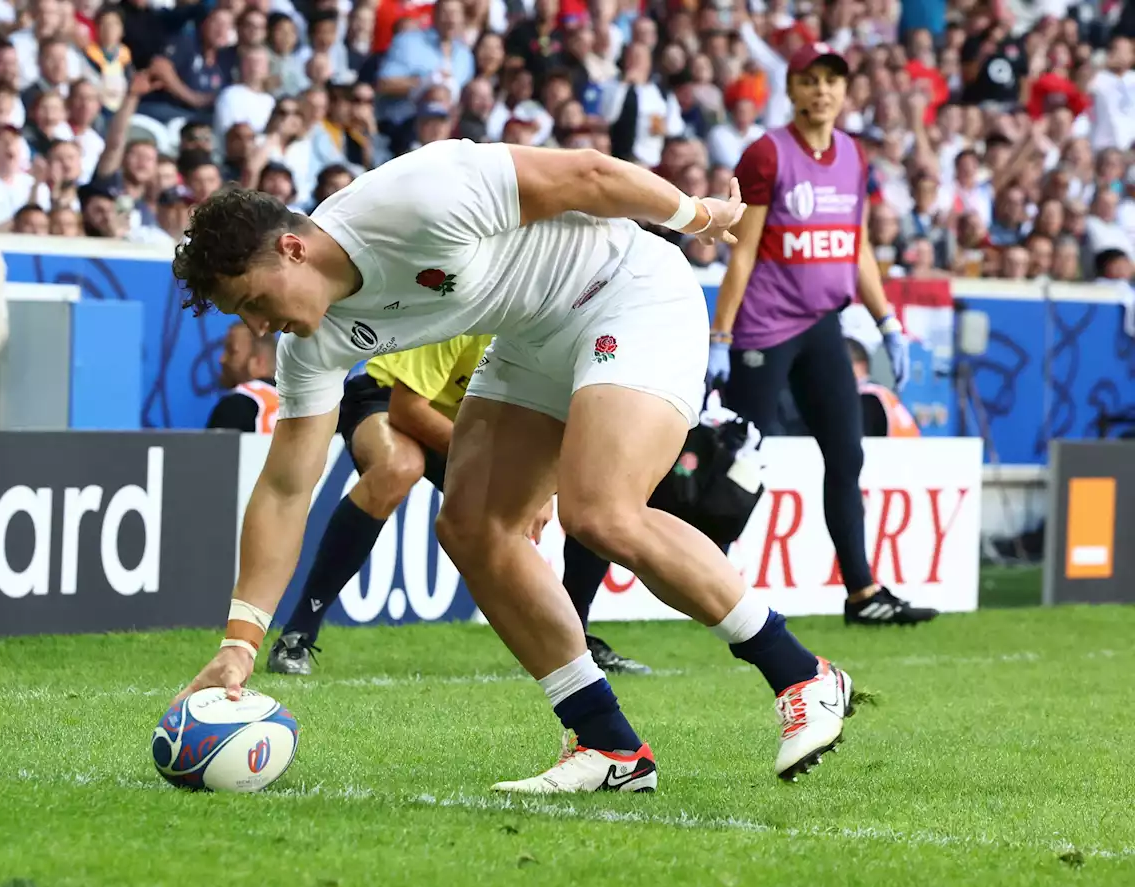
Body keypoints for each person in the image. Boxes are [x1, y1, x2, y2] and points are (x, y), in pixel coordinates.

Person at [170, 137, 855, 792]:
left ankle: (802, 673)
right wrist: (240, 639)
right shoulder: (311, 341)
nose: (258, 328)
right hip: (532, 335)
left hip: (629, 290)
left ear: (292, 249)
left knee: (599, 509)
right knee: (471, 526)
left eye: (254, 302)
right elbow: (288, 486)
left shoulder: (413, 199)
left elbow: (587, 175)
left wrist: (700, 216)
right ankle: (607, 744)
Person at [710, 43, 938, 627]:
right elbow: (744, 253)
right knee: (738, 459)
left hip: (822, 327)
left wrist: (887, 319)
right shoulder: (766, 154)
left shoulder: (854, 157)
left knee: (846, 452)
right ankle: (706, 584)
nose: (822, 91)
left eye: (832, 80)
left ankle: (862, 594)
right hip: (764, 329)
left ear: (846, 90)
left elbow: (855, 245)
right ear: (792, 90)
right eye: (810, 81)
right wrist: (722, 335)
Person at [267, 334, 651, 678]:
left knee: (592, 492)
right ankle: (297, 633)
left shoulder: (557, 333)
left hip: (470, 422)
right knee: (397, 468)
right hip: (386, 399)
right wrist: (501, 468)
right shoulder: (468, 313)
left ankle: (573, 643)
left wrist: (538, 488)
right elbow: (406, 408)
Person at [206, 321, 280, 433]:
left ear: (259, 362)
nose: (222, 359)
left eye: (231, 351)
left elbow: (212, 450)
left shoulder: (235, 406)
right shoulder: (299, 405)